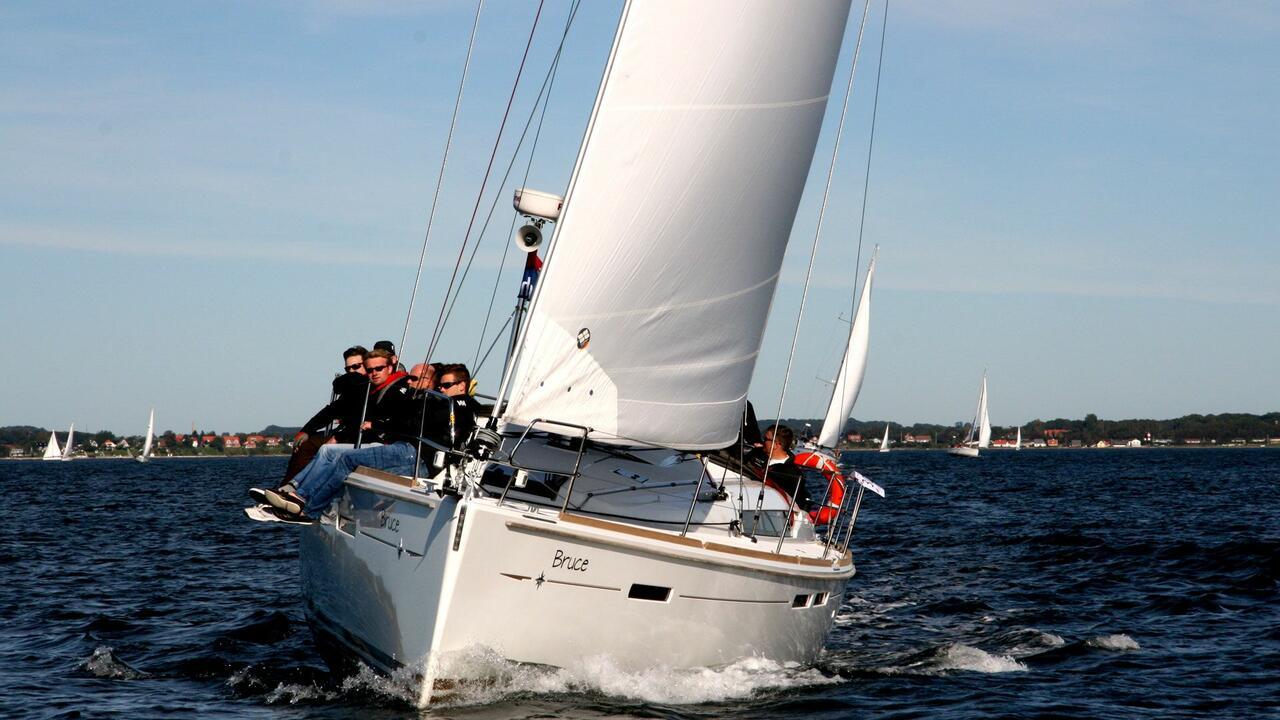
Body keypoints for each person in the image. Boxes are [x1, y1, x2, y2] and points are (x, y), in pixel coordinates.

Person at [262, 362, 480, 521]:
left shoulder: (458, 404)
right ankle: (298, 497)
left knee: (347, 460)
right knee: (337, 455)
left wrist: (383, 424)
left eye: (446, 385)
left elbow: (418, 424)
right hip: (407, 450)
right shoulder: (436, 402)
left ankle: (308, 510)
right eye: (440, 385)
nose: (442, 389)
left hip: (415, 454)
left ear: (462, 386)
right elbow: (408, 421)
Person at [280, 346, 370, 485]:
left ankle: (292, 487)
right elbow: (330, 411)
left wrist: (338, 437)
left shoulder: (369, 386)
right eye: (348, 369)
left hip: (360, 435)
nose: (352, 372)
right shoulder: (349, 391)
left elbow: (348, 381)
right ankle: (289, 486)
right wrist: (306, 431)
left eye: (356, 366)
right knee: (305, 442)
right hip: (345, 433)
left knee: (310, 446)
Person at [761, 424, 812, 512]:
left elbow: (799, 501)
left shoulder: (792, 473)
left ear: (776, 444)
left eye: (766, 439)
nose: (763, 442)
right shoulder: (757, 457)